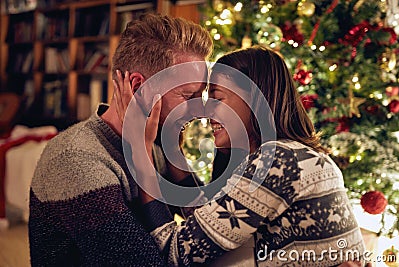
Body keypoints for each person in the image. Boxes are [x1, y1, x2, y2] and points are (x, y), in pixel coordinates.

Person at [116, 46, 368, 266]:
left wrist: (140, 149)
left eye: (216, 96)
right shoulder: (287, 156)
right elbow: (207, 229)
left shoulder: (279, 162)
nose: (203, 109)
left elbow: (178, 253)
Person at [28, 13, 213, 266]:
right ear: (138, 87)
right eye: (187, 95)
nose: (198, 110)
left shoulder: (156, 142)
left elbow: (206, 229)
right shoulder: (77, 160)